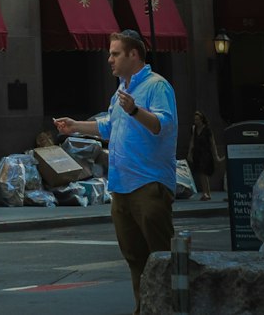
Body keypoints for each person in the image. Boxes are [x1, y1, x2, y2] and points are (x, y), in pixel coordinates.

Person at [54, 28, 178, 315]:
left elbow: (163, 125)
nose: (109, 59)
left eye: (115, 53)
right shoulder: (121, 91)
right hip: (121, 187)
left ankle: (168, 309)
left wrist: (135, 110)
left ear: (134, 54)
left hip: (149, 184)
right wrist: (75, 126)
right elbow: (109, 127)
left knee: (161, 257)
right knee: (135, 257)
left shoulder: (157, 86)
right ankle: (143, 308)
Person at [187, 109, 222, 200]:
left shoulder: (207, 129)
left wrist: (216, 156)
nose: (196, 121)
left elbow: (212, 143)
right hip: (197, 154)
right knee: (200, 173)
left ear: (202, 119)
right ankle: (206, 193)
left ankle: (207, 193)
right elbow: (192, 141)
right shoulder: (194, 129)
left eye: (197, 119)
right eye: (195, 120)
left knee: (203, 173)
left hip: (205, 153)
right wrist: (190, 153)